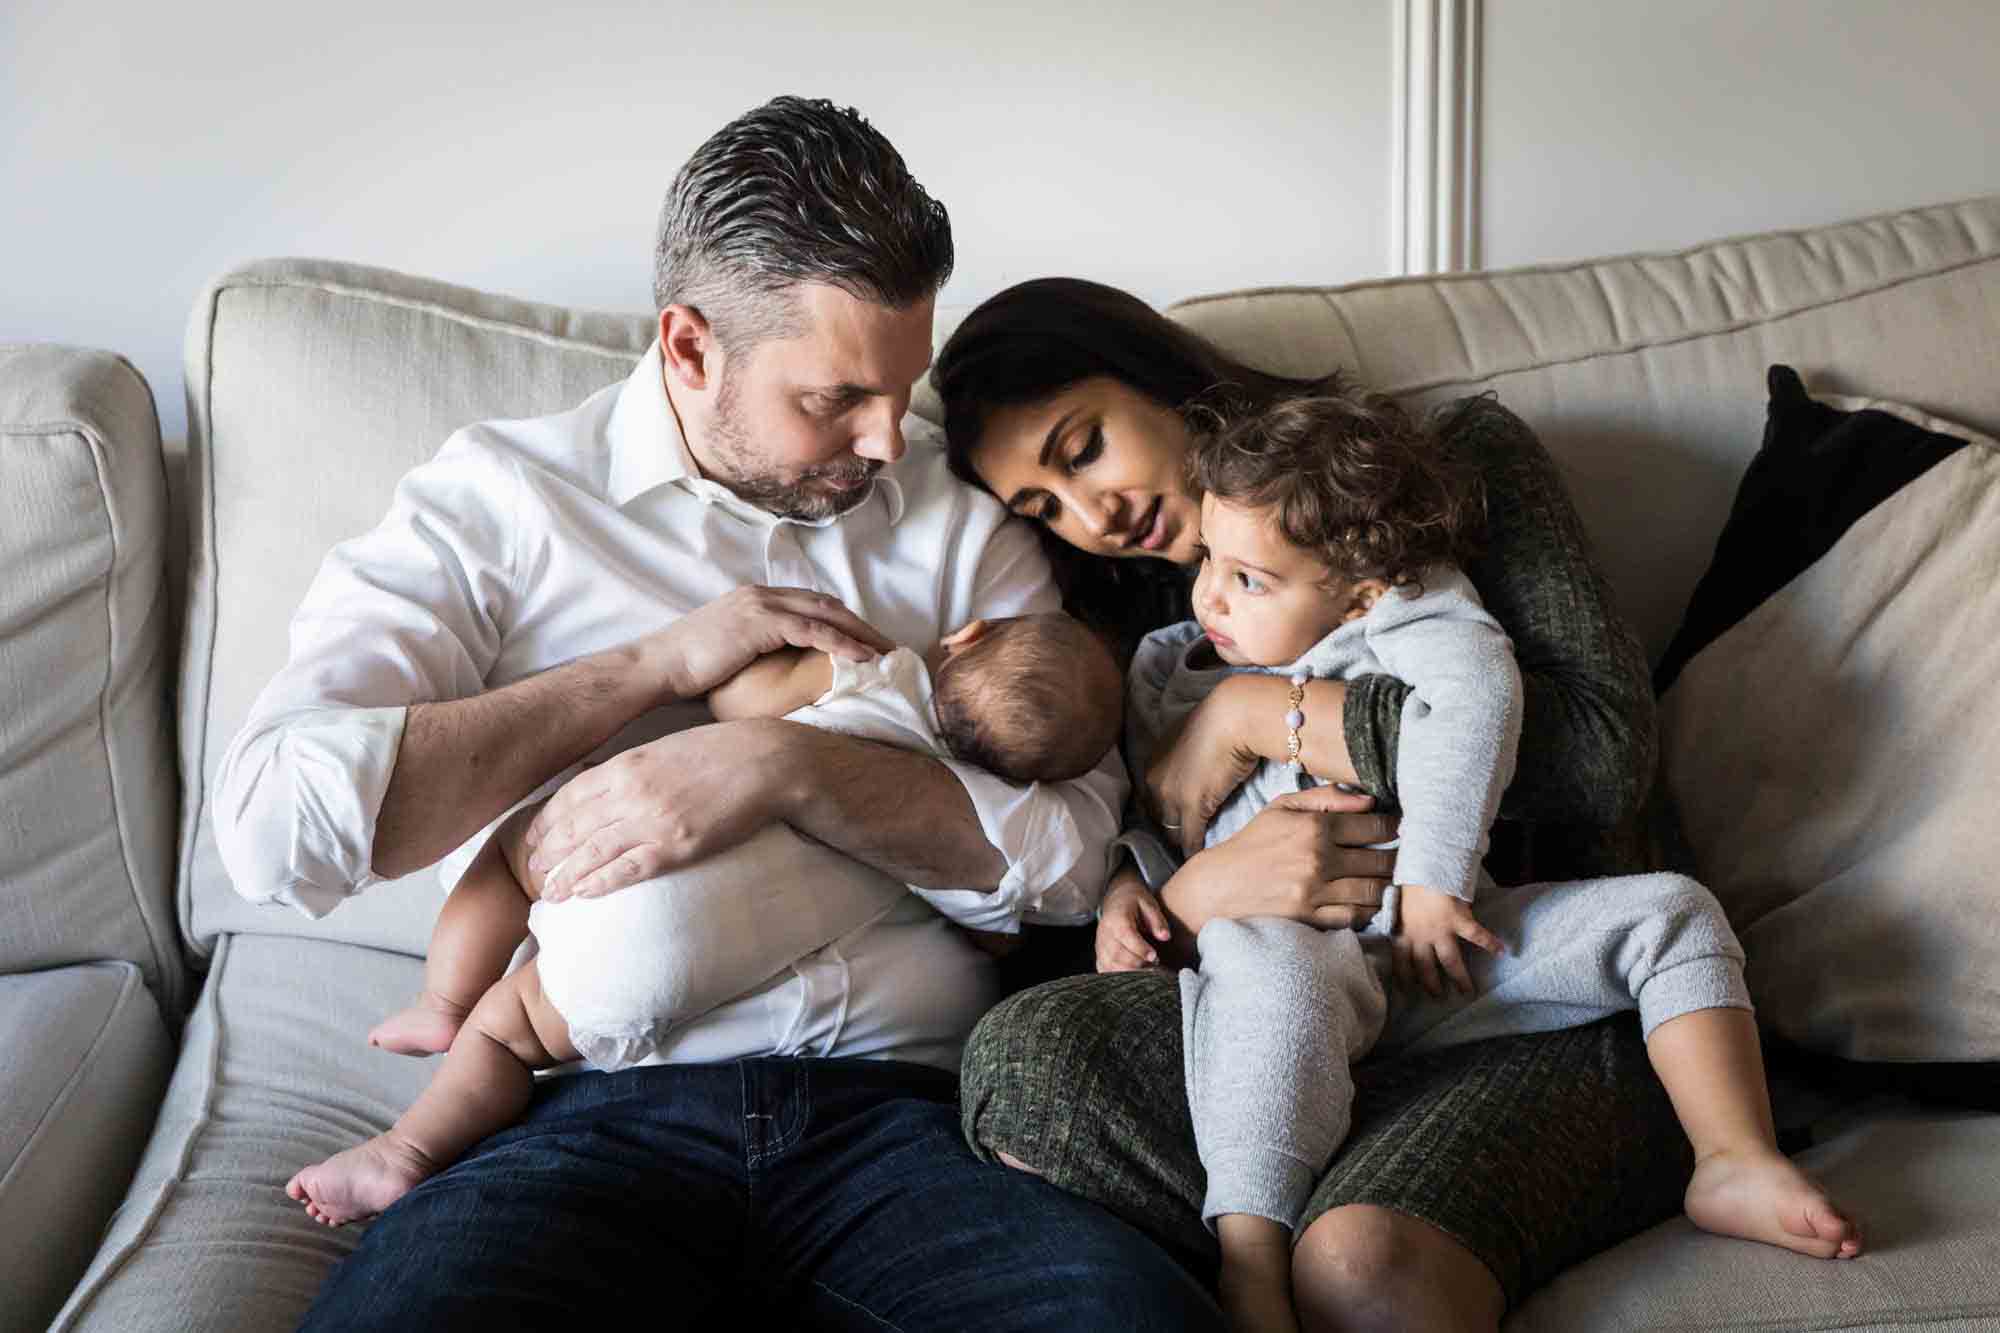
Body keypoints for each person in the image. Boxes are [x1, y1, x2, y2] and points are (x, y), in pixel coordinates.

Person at [214, 100, 1217, 1329]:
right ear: (689, 348)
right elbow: (275, 827)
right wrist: (646, 669)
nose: (884, 443)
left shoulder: (957, 525)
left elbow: (1072, 861)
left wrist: (782, 769)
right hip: (576, 1104)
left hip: (909, 1119)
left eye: (897, 390)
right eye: (836, 398)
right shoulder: (503, 504)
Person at [932, 276, 1791, 1332]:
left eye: (1082, 450)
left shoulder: (1431, 475)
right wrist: (1186, 892)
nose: (1092, 517)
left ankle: (1337, 1204)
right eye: (1043, 509)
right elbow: (1089, 881)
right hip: (1293, 996)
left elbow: (1598, 757)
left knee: (1358, 1269)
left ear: (1153, 376)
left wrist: (1258, 712)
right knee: (1025, 1062)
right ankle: (1279, 1177)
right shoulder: (1127, 635)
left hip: (1525, 982)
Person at [1103, 394, 1858, 1331]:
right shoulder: (1165, 667)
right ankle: (1251, 1259)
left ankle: (1733, 1155)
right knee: (1273, 978)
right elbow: (1141, 812)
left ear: (1362, 590)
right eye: (1208, 559)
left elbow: (1475, 703)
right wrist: (1130, 886)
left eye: (1250, 580)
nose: (1209, 594)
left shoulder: (1400, 613)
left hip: (1442, 955)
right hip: (1295, 955)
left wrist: (1434, 880)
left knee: (1674, 910)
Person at [285, 613, 1123, 1228]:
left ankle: (441, 1010)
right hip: (682, 982)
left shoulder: (877, 675)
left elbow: (738, 690)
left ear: (967, 634)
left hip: (642, 904)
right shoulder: (981, 816)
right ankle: (407, 1155)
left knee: (508, 875)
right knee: (513, 1036)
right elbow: (997, 926)